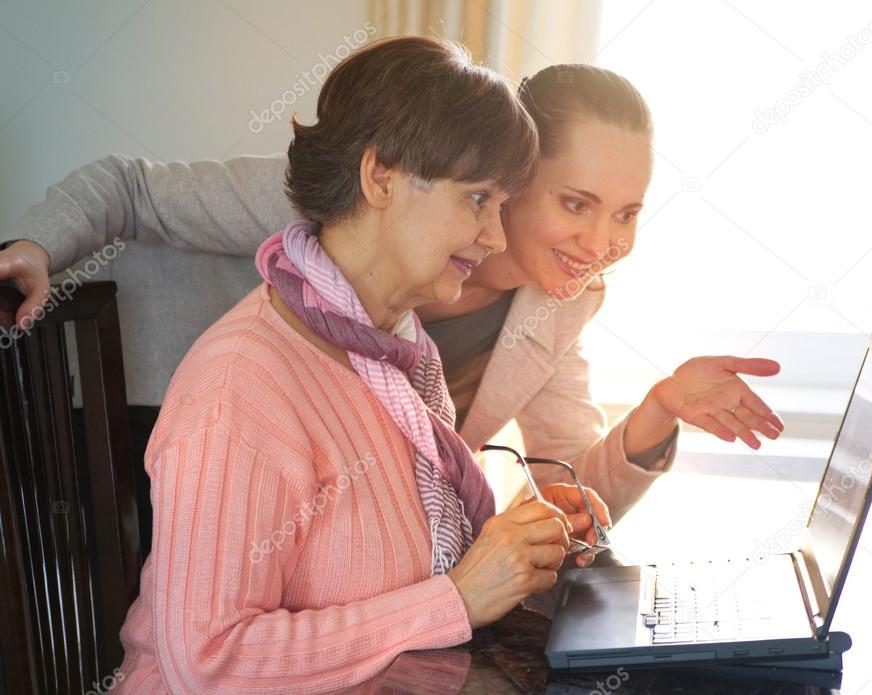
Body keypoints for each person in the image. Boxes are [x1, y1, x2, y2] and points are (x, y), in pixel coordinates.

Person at [0, 55, 784, 529]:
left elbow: (561, 486)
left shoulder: (561, 301)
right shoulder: (345, 199)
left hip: (314, 516)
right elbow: (129, 187)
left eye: (626, 214)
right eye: (574, 203)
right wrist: (33, 249)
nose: (600, 243)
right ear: (509, 175)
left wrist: (657, 410)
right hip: (137, 422)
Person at [103, 36, 612, 692]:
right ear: (381, 177)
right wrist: (455, 597)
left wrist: (521, 546)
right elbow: (209, 658)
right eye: (478, 199)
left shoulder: (399, 352)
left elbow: (398, 564)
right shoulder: (241, 385)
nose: (495, 237)